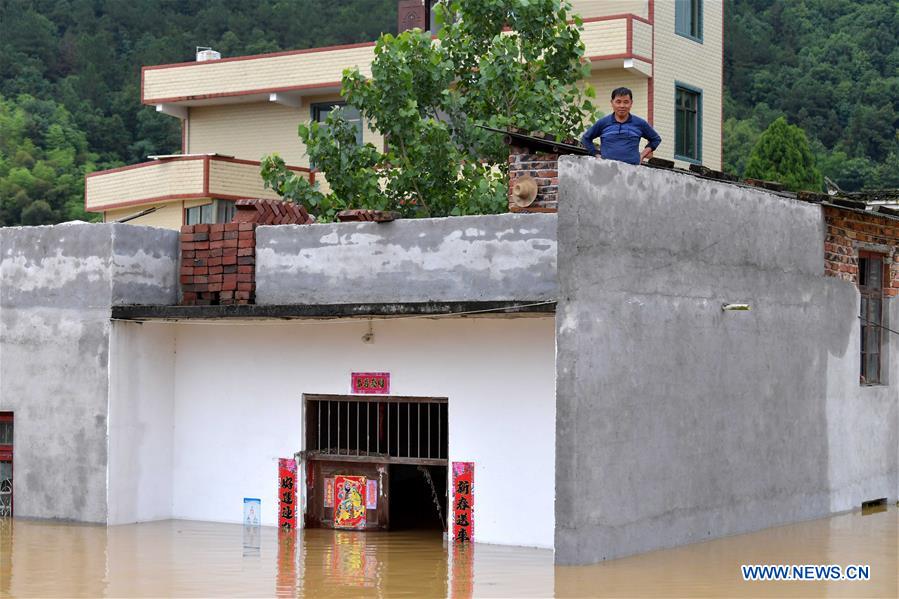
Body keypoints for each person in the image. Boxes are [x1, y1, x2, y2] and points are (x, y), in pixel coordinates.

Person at [581, 87, 661, 165]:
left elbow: (656, 139)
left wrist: (642, 155)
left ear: (631, 103)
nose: (622, 106)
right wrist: (597, 154)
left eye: (626, 102)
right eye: (618, 102)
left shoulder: (640, 123)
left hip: (632, 171)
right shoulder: (603, 123)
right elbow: (586, 138)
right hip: (607, 169)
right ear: (612, 103)